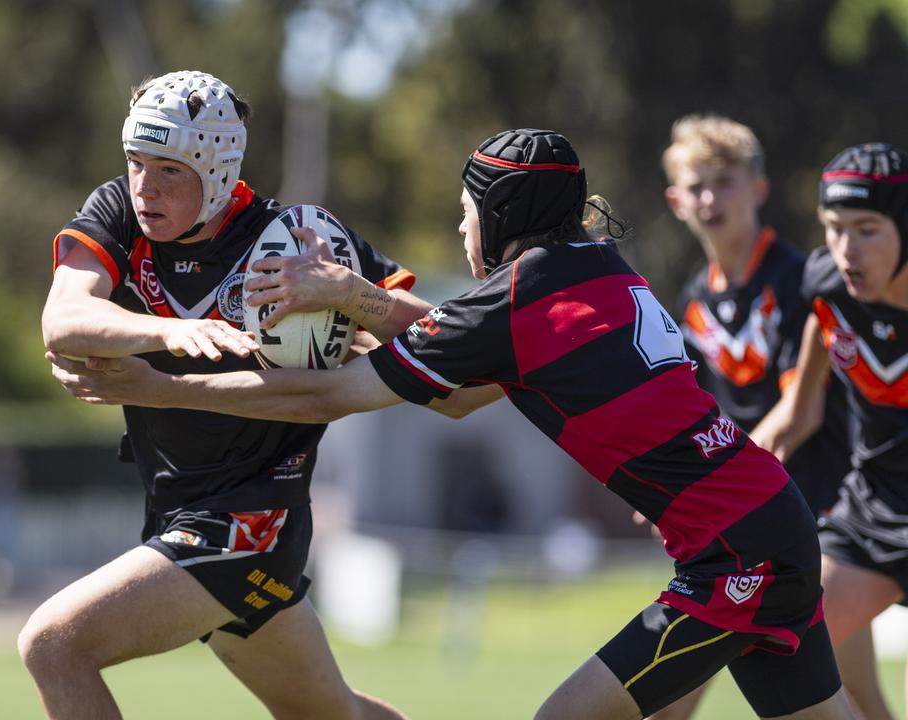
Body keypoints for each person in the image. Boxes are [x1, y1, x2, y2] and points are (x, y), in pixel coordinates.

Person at [52, 128, 857, 719]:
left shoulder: (513, 302)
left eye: (468, 212)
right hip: (766, 520)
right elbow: (467, 390)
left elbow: (324, 398)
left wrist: (160, 386)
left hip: (733, 554)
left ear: (502, 213)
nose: (461, 230)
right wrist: (349, 297)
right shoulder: (597, 269)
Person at [20, 70, 429, 720]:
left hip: (252, 521)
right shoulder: (121, 215)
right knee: (333, 715)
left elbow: (444, 340)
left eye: (169, 170)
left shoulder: (295, 238)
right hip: (183, 510)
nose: (144, 187)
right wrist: (175, 332)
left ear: (216, 172)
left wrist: (345, 292)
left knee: (54, 643)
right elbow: (62, 319)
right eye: (135, 163)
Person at [648, 117, 887, 719]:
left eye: (724, 182)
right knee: (852, 699)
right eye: (696, 186)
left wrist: (716, 482)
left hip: (815, 508)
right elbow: (698, 414)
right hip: (744, 517)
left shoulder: (806, 277)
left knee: (673, 688)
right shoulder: (693, 295)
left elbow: (796, 413)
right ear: (675, 201)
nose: (710, 198)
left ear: (758, 189)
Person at [752, 142, 908, 720]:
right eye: (833, 228)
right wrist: (703, 477)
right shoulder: (827, 287)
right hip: (874, 513)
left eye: (866, 229)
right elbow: (799, 412)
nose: (847, 250)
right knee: (781, 653)